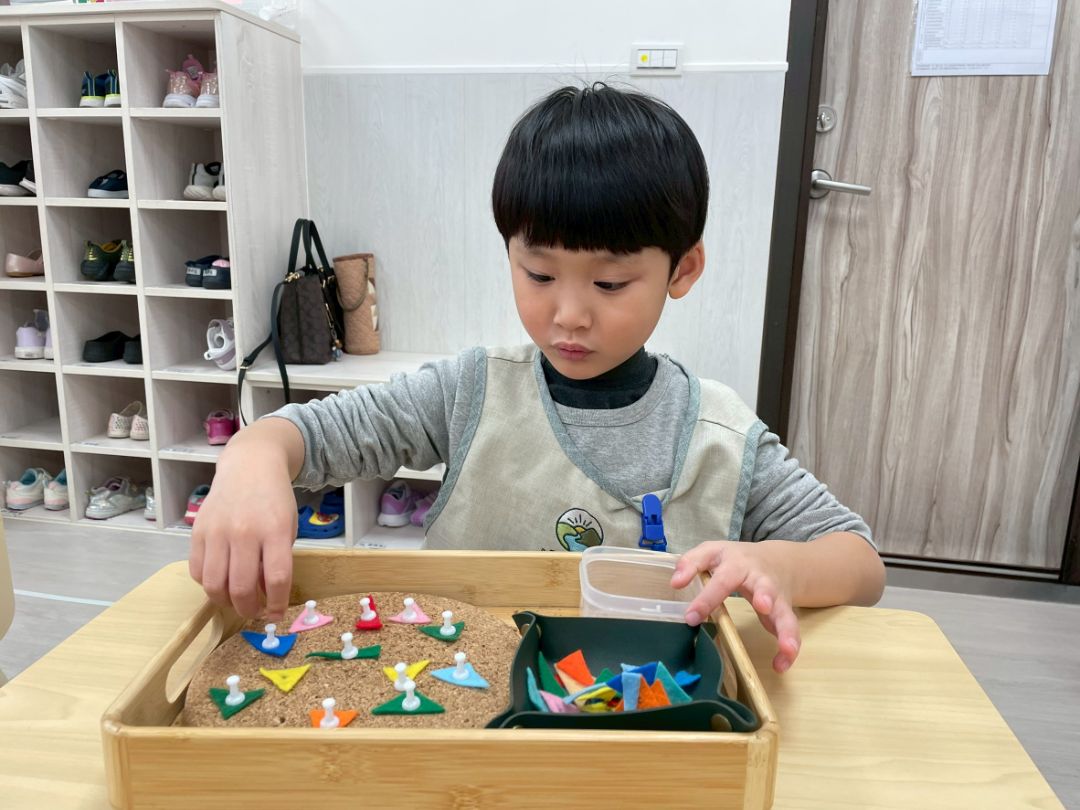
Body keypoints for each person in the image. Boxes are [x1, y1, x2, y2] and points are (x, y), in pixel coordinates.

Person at [190, 83, 885, 674]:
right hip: (465, 714)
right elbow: (309, 436)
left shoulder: (721, 436)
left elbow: (859, 561)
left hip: (641, 734)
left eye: (610, 283)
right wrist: (252, 459)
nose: (569, 314)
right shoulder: (470, 392)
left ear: (683, 270)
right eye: (540, 274)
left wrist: (779, 566)